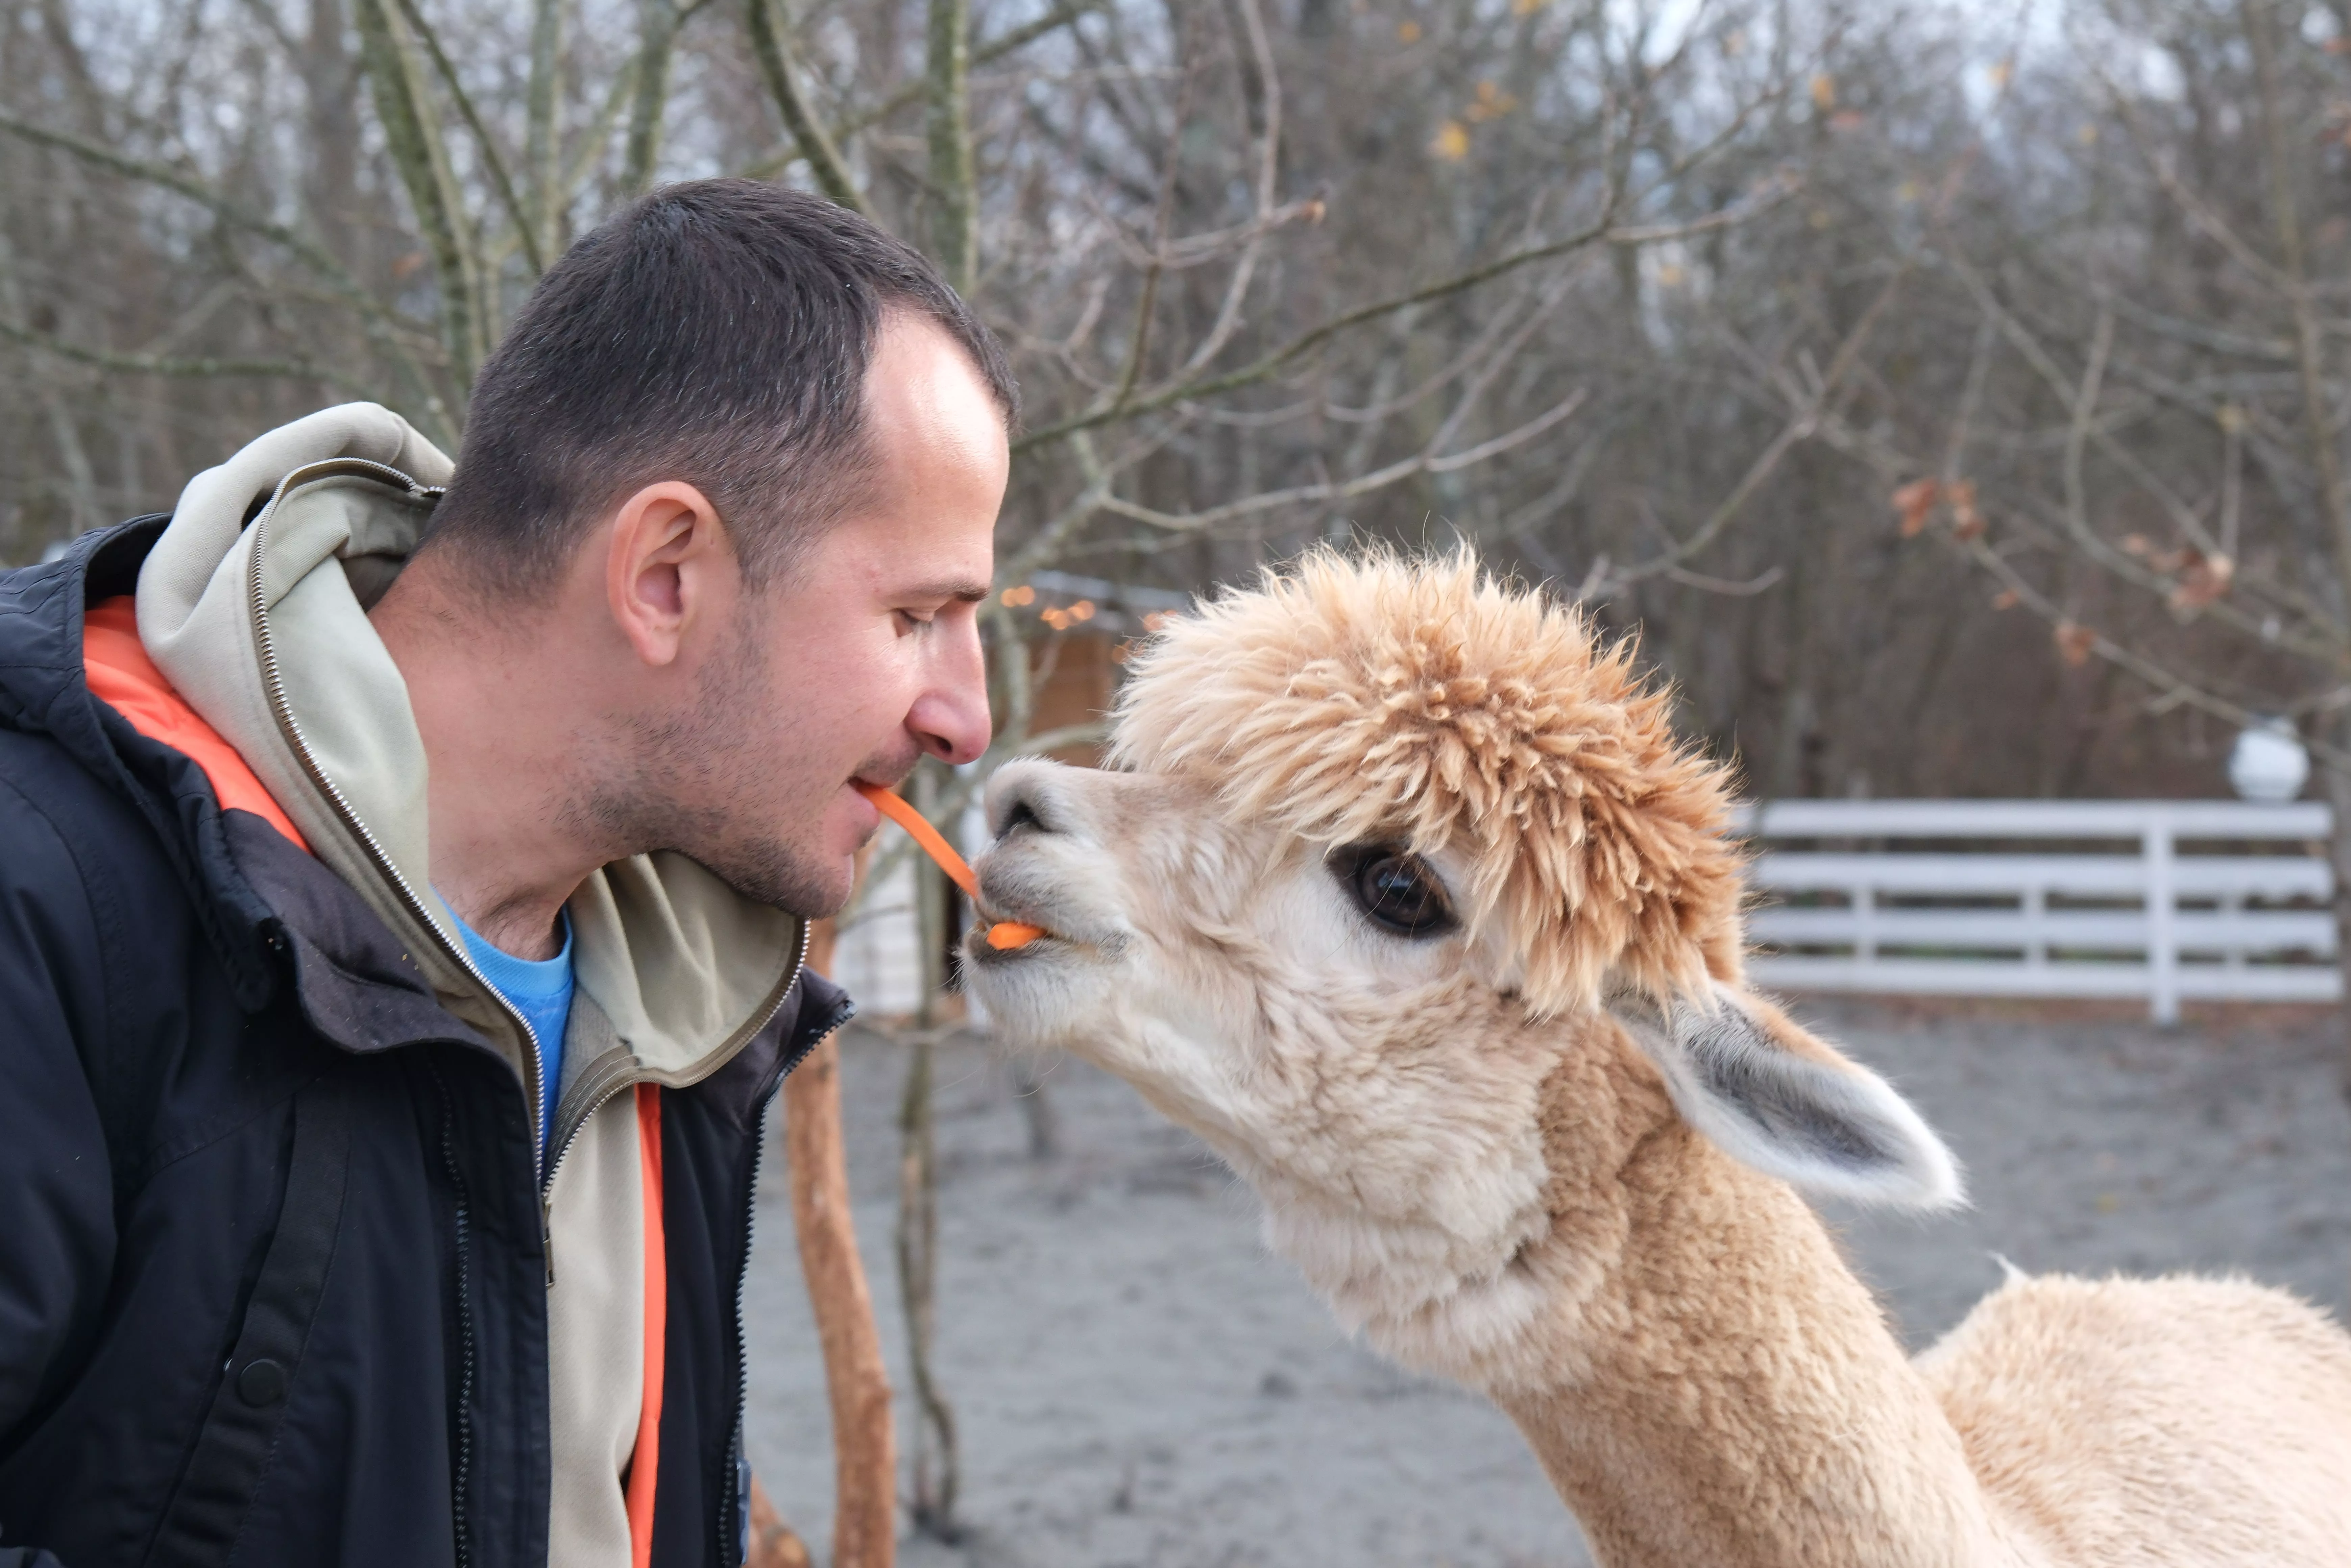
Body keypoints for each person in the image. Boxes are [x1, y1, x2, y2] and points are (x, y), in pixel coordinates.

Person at [0, 179, 1012, 1567]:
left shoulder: (678, 1010)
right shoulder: (43, 895)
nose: (968, 715)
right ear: (665, 572)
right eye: (917, 615)